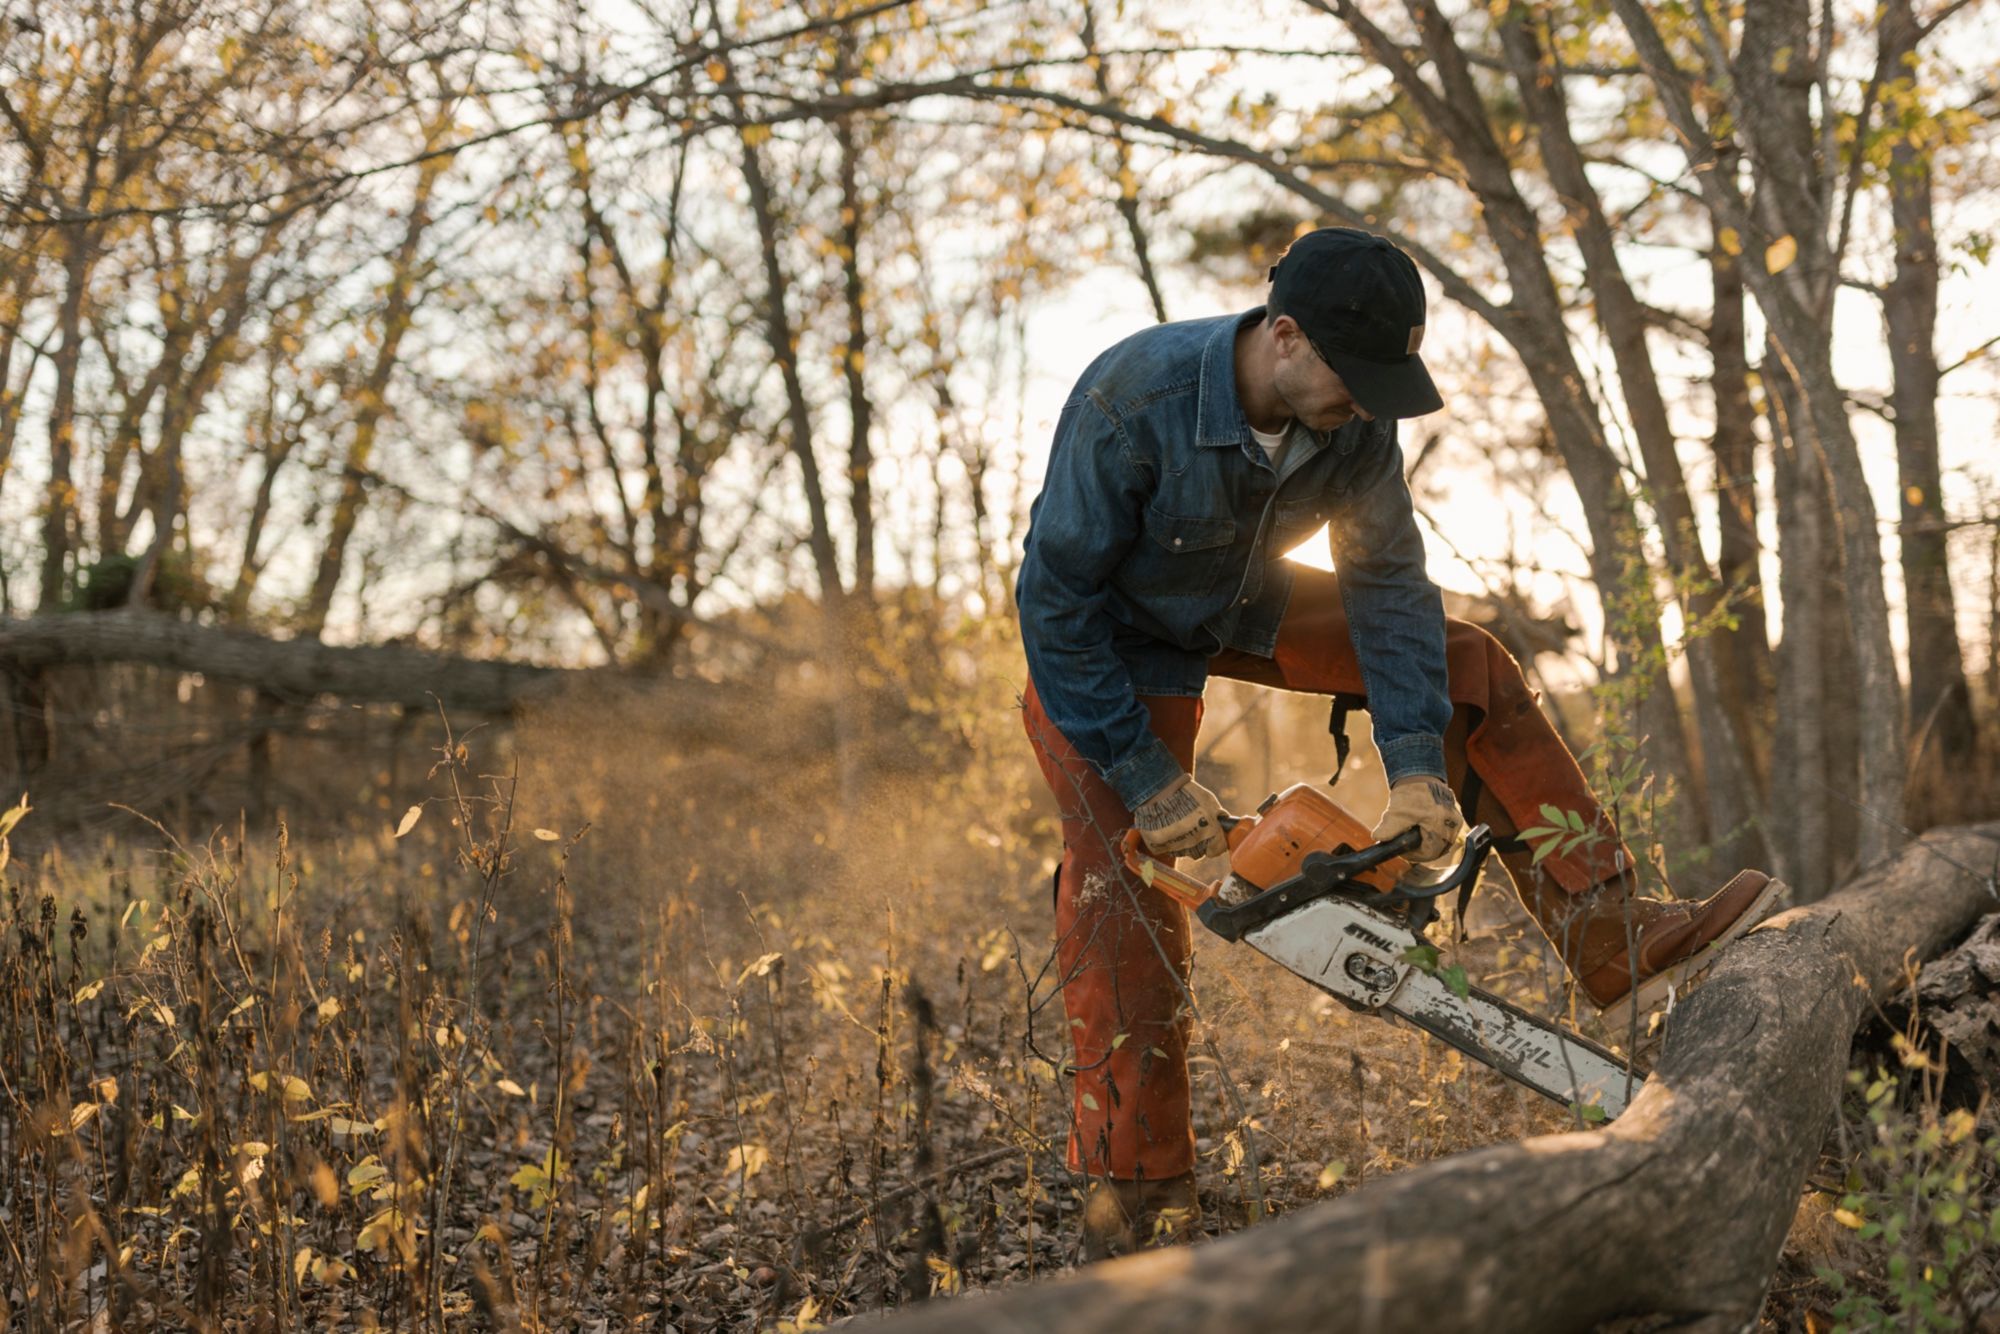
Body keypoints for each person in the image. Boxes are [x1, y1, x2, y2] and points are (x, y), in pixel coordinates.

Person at [1016, 227, 1782, 1259]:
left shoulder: (1354, 421)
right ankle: (1134, 1188)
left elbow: (1385, 583)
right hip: (1106, 648)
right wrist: (1144, 773)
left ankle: (1604, 927)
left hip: (1237, 601)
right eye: (1352, 377)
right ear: (1282, 337)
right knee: (1123, 905)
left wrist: (1416, 759)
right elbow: (1055, 601)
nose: (1366, 403)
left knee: (1467, 663)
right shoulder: (1133, 397)